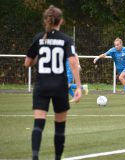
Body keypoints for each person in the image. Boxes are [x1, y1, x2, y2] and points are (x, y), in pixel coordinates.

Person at [24, 5, 81, 160]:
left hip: (41, 85)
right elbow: (73, 63)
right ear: (60, 21)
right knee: (59, 126)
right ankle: (57, 157)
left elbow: (27, 63)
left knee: (38, 123)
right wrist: (79, 87)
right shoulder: (66, 39)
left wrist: (39, 58)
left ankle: (35, 156)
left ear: (46, 20)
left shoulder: (39, 38)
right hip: (59, 86)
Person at [93, 38, 125, 104]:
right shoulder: (113, 50)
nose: (116, 46)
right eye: (115, 45)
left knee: (121, 77)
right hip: (120, 70)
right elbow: (104, 54)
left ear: (121, 44)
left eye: (118, 45)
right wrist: (97, 57)